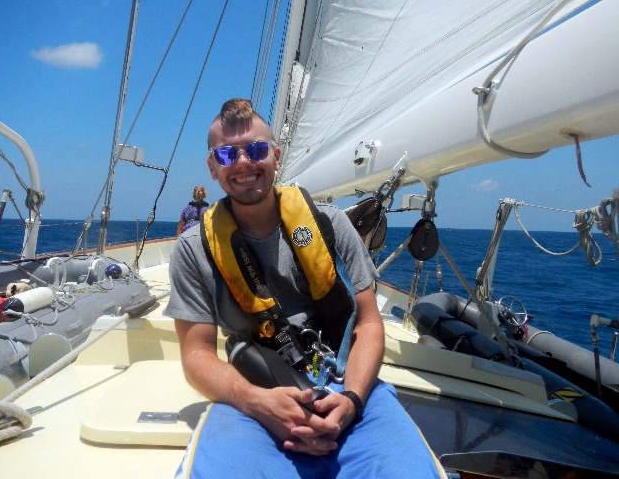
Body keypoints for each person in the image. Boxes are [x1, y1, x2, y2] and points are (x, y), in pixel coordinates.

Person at [164, 98, 447, 478]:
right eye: (228, 154)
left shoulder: (331, 225)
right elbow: (196, 354)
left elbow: (367, 322)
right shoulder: (194, 249)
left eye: (256, 150)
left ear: (276, 157)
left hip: (348, 380)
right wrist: (257, 402)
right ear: (213, 167)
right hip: (255, 390)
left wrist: (352, 399)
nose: (244, 162)